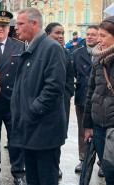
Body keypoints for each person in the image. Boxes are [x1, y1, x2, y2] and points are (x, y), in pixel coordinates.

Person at [11, 8, 66, 185]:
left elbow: (54, 87)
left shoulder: (51, 48)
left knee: (46, 178)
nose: (16, 28)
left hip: (44, 129)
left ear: (34, 24)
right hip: (30, 127)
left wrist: (32, 109)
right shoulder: (28, 46)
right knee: (33, 179)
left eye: (20, 24)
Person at [0, 10, 26, 185]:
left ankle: (18, 172)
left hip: (12, 101)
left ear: (9, 29)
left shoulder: (19, 46)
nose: (1, 29)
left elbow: (24, 74)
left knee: (15, 138)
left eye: (4, 26)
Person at [83, 16, 114, 185]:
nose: (98, 40)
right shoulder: (98, 60)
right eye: (98, 35)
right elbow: (91, 94)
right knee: (109, 172)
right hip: (99, 128)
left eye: (103, 36)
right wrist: (88, 125)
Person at [45, 22, 75, 178]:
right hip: (45, 100)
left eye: (63, 33)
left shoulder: (66, 53)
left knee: (59, 135)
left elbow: (70, 76)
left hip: (62, 100)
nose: (61, 36)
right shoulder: (43, 51)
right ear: (48, 34)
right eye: (57, 33)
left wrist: (67, 93)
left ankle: (55, 166)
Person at [72, 25, 99, 173]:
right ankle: (83, 160)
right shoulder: (77, 53)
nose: (89, 37)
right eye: (88, 34)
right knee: (83, 130)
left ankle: (103, 162)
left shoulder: (105, 52)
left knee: (102, 130)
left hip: (101, 98)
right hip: (83, 96)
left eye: (93, 35)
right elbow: (75, 73)